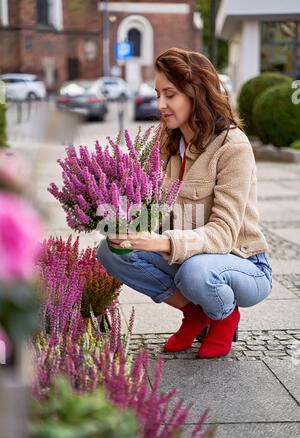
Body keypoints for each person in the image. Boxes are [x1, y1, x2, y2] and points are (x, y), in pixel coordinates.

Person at [96, 47, 272, 358]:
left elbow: (223, 234)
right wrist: (119, 218)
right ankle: (195, 313)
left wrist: (160, 242)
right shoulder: (167, 143)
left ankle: (225, 316)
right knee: (111, 249)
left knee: (195, 271)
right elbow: (152, 210)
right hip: (188, 256)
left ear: (196, 93)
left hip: (243, 264)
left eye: (170, 94)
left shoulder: (232, 146)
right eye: (158, 94)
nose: (160, 104)